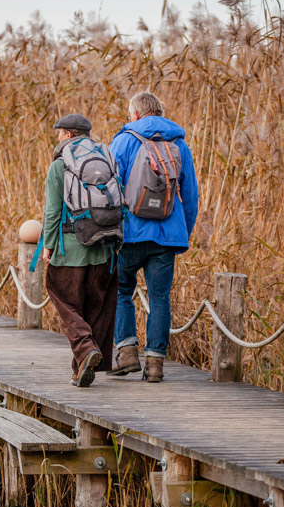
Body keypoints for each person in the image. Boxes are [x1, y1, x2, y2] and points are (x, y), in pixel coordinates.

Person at [108, 92, 198, 382]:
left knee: (121, 292)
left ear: (135, 114)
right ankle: (156, 365)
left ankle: (127, 353)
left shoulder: (123, 140)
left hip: (129, 233)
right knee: (160, 297)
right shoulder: (179, 144)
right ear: (160, 112)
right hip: (167, 236)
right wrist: (182, 232)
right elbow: (191, 195)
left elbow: (108, 189)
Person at [41, 113, 121, 387]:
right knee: (94, 309)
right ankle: (81, 370)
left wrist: (48, 246)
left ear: (68, 134)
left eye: (59, 132)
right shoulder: (108, 160)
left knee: (65, 303)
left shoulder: (60, 166)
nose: (57, 137)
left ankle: (87, 351)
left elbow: (52, 212)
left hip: (70, 249)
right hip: (105, 249)